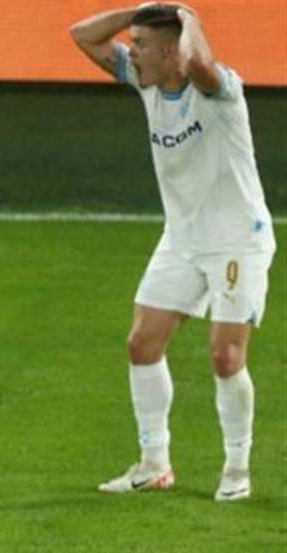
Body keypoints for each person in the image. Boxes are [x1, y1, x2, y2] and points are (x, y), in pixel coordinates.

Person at [70, 3, 275, 501]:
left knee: (225, 356)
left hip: (237, 241)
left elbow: (198, 61)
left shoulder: (219, 89)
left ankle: (236, 468)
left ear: (170, 52)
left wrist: (188, 16)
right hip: (182, 239)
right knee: (142, 344)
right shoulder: (147, 84)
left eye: (142, 45)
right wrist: (139, 13)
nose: (132, 53)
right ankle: (154, 463)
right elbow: (83, 35)